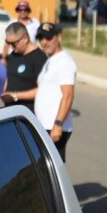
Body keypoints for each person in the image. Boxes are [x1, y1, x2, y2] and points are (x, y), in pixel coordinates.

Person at [33, 23, 76, 161]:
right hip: (45, 126)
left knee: (52, 172)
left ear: (58, 38)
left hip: (54, 128)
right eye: (41, 38)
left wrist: (58, 125)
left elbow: (68, 95)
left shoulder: (64, 61)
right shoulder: (51, 60)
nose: (44, 42)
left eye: (48, 38)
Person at [0, 22, 46, 112]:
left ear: (25, 38)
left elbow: (43, 90)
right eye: (8, 43)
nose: (11, 47)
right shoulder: (14, 54)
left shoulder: (39, 58)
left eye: (14, 43)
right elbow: (10, 76)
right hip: (10, 111)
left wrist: (16, 96)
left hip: (27, 113)